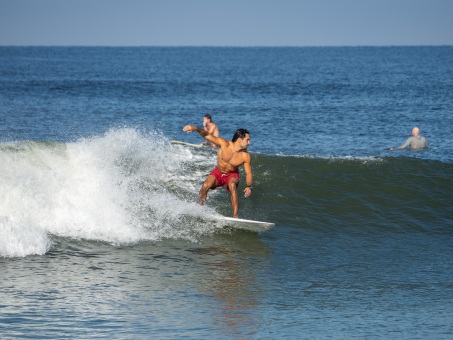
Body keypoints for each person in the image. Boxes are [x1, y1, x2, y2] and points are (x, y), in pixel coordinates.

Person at [182, 124, 253, 218]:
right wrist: (195, 128)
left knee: (232, 185)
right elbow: (207, 135)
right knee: (206, 185)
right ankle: (198, 208)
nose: (249, 142)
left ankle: (235, 216)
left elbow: (248, 174)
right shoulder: (224, 144)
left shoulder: (245, 156)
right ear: (240, 140)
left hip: (232, 175)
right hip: (218, 172)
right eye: (247, 140)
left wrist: (249, 187)